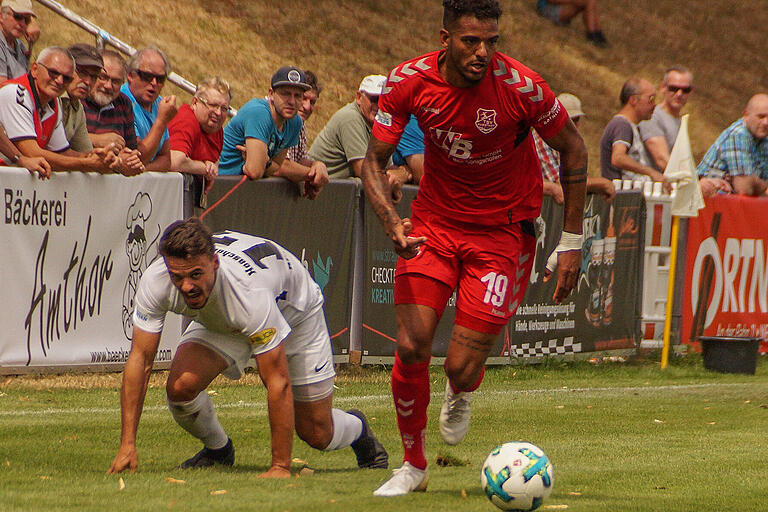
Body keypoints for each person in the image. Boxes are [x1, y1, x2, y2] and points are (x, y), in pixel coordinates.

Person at [362, 0, 587, 496]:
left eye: (492, 41)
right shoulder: (408, 81)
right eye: (471, 41)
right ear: (446, 38)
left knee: (462, 366)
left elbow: (573, 148)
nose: (483, 52)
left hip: (502, 233)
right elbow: (373, 161)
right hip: (434, 226)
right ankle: (412, 466)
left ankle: (461, 388)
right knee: (411, 343)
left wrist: (572, 241)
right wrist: (391, 221)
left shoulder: (521, 87)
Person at [107, 218, 388, 477]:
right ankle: (219, 451)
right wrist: (126, 444)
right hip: (226, 315)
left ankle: (359, 428)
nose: (186, 286)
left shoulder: (248, 295)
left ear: (214, 264)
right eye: (177, 277)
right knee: (181, 388)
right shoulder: (156, 280)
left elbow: (278, 382)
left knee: (317, 432)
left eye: (195, 274)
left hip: (294, 312)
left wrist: (280, 466)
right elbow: (140, 359)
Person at [0, 46, 130, 174]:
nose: (59, 81)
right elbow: (31, 153)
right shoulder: (16, 93)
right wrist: (88, 164)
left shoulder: (54, 102)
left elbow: (63, 152)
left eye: (66, 78)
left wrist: (101, 158)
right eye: (53, 72)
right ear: (34, 69)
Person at [218, 66, 328, 199]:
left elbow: (277, 167)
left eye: (298, 96)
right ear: (271, 94)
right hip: (218, 185)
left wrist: (265, 161)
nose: (292, 101)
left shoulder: (295, 123)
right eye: (286, 94)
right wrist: (312, 174)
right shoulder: (259, 113)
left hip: (245, 194)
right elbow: (255, 171)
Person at [534, 92, 615, 203]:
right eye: (570, 120)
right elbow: (561, 183)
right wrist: (601, 184)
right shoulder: (543, 139)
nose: (574, 125)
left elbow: (578, 176)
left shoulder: (569, 142)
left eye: (576, 120)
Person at [600, 78, 668, 189]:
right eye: (651, 99)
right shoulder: (622, 125)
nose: (655, 104)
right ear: (633, 100)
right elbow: (618, 157)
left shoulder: (632, 127)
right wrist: (651, 172)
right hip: (621, 198)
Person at [168, 77, 231, 194]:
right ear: (195, 102)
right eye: (213, 105)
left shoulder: (217, 130)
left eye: (224, 108)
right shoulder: (186, 120)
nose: (218, 113)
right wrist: (205, 168)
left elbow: (214, 161)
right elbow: (175, 162)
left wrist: (212, 167)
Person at [697, 93, 768, 197]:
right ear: (746, 115)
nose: (766, 122)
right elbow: (744, 188)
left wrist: (753, 180)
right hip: (708, 201)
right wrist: (762, 185)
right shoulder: (738, 134)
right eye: (760, 117)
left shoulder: (764, 138)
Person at [122, 46, 177, 170]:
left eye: (160, 79)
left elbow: (166, 159)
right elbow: (139, 156)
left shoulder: (159, 104)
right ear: (131, 75)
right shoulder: (122, 102)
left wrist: (144, 170)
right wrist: (161, 121)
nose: (154, 83)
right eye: (147, 76)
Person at [639, 66, 694, 172]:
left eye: (685, 90)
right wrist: (692, 181)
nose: (679, 94)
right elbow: (662, 160)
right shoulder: (653, 117)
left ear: (691, 92)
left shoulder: (680, 121)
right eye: (673, 88)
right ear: (663, 87)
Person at [83, 49, 139, 152]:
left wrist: (127, 158)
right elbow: (61, 140)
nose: (108, 86)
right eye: (103, 77)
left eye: (116, 81)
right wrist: (95, 140)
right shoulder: (76, 98)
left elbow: (131, 149)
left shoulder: (124, 103)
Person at [285, 69, 321, 165]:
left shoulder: (299, 122)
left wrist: (316, 165)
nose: (307, 107)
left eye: (312, 102)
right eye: (303, 98)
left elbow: (300, 159)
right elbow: (281, 167)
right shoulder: (279, 119)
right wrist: (309, 173)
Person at [535, 0, 608, 47]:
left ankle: (597, 33)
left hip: (560, 7)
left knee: (590, 1)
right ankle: (592, 35)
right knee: (589, 2)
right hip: (547, 9)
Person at [0, 0, 38, 82]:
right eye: (18, 17)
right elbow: (2, 88)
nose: (23, 24)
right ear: (1, 16)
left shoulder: (20, 46)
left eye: (27, 20)